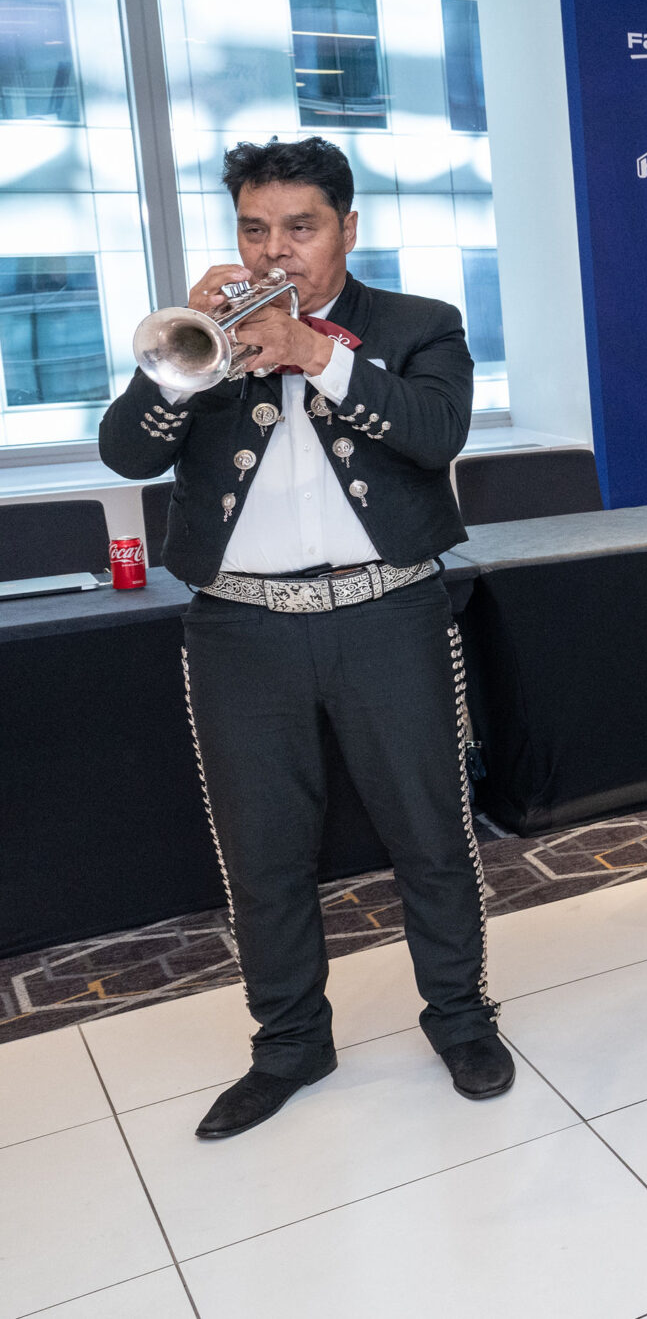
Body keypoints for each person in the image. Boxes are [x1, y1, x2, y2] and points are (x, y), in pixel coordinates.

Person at [97, 136, 506, 1139]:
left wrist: (317, 353)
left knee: (429, 833)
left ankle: (460, 1019)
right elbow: (125, 454)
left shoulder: (418, 323)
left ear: (347, 229)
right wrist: (183, 366)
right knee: (262, 850)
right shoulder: (208, 336)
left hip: (388, 612)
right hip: (240, 629)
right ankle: (288, 1044)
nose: (273, 250)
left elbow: (437, 432)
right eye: (254, 228)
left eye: (299, 227)